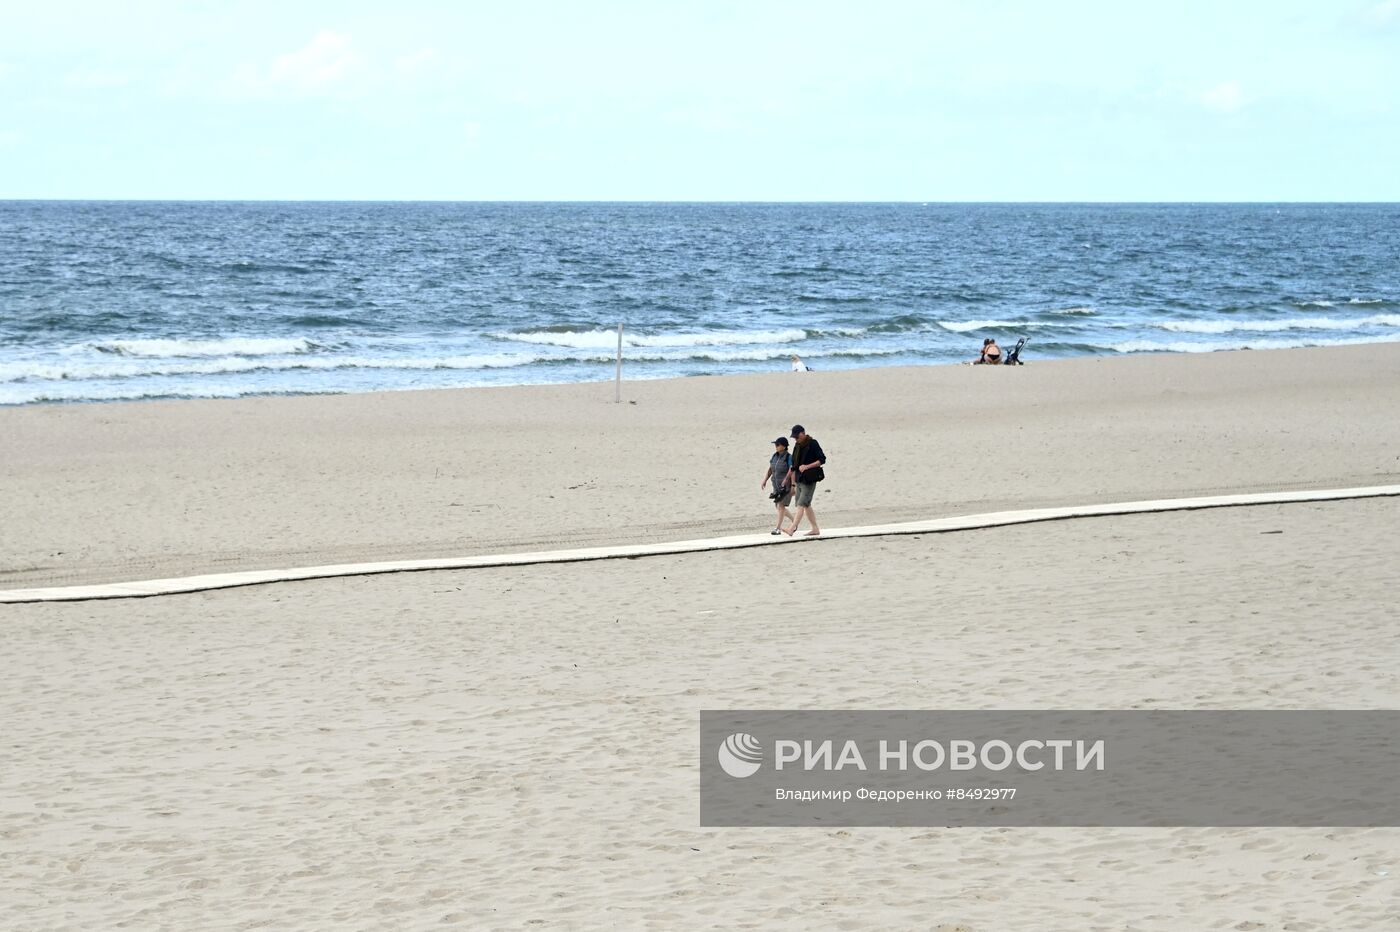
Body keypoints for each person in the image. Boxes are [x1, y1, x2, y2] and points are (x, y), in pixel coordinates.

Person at [782, 424, 826, 537]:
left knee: (801, 504)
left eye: (797, 437)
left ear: (803, 433)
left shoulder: (813, 443)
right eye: (794, 438)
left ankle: (791, 529)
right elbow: (795, 464)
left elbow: (822, 460)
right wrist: (787, 478)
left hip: (810, 479)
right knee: (805, 505)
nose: (796, 439)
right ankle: (815, 529)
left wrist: (807, 466)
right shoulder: (797, 445)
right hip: (799, 479)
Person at [760, 437, 794, 535]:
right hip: (776, 486)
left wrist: (789, 482)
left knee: (781, 506)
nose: (776, 446)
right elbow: (771, 469)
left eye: (777, 445)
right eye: (775, 444)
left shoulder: (789, 457)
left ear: (784, 446)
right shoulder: (774, 456)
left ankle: (777, 528)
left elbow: (792, 469)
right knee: (778, 506)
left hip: (786, 486)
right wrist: (765, 480)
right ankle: (794, 522)